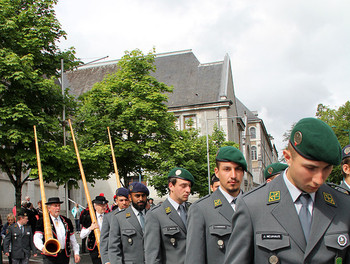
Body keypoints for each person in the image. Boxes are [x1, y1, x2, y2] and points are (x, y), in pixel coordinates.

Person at [224, 117, 350, 263]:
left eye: (327, 168)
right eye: (311, 168)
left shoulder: (344, 205)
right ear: (288, 157)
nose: (319, 179)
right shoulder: (253, 205)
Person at [185, 146, 247, 264]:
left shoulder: (254, 205)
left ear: (243, 172)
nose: (233, 175)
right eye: (227, 169)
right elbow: (194, 258)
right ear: (217, 172)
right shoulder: (201, 209)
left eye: (238, 169)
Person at [145, 167, 194, 264]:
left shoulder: (193, 210)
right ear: (171, 186)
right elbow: (152, 254)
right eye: (183, 186)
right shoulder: (156, 214)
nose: (188, 190)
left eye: (189, 186)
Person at [108, 182, 149, 264]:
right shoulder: (119, 218)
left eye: (143, 196)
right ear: (130, 197)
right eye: (137, 196)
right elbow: (114, 248)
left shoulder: (153, 216)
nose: (140, 199)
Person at [33, 197, 80, 264]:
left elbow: (72, 239)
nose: (58, 208)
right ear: (49, 208)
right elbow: (37, 237)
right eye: (55, 206)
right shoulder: (42, 221)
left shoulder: (66, 221)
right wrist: (42, 248)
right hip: (50, 255)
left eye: (58, 206)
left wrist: (76, 252)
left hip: (64, 255)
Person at [100, 187, 129, 264]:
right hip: (114, 258)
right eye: (121, 200)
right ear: (116, 201)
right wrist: (106, 260)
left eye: (126, 200)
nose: (124, 203)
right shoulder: (109, 217)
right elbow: (104, 240)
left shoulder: (134, 215)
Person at [80, 195, 108, 264]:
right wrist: (90, 228)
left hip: (107, 247)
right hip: (94, 248)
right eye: (101, 205)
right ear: (95, 206)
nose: (104, 207)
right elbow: (82, 235)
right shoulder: (89, 218)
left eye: (105, 205)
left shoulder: (109, 216)